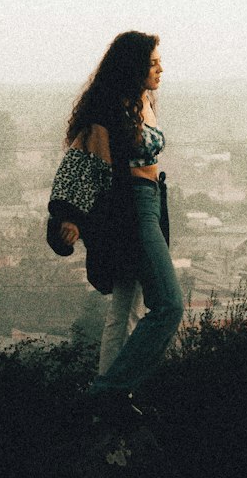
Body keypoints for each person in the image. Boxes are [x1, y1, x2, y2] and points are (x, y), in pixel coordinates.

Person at [47, 31, 183, 420]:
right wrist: (69, 216)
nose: (161, 69)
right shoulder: (108, 109)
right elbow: (82, 165)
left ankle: (111, 396)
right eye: (153, 63)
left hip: (153, 202)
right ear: (133, 66)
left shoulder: (144, 100)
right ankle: (105, 393)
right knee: (168, 306)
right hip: (132, 208)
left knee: (126, 307)